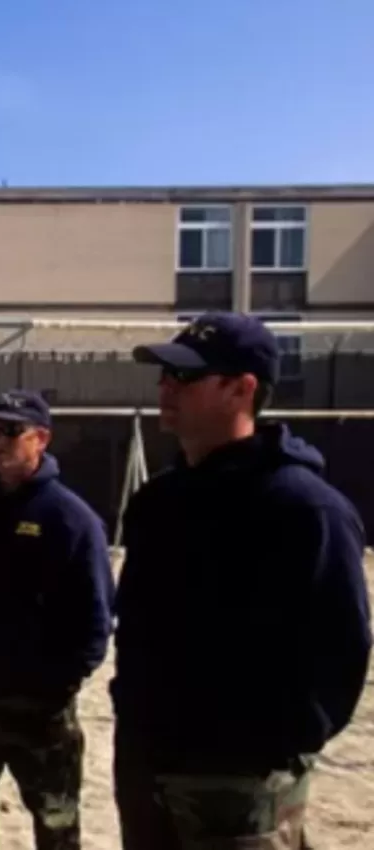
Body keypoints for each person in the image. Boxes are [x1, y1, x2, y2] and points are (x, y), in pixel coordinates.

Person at [114, 311, 371, 849]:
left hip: (240, 782)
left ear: (242, 389)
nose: (165, 386)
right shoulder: (158, 503)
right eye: (163, 373)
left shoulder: (305, 508)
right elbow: (136, 626)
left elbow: (340, 652)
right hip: (147, 767)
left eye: (184, 376)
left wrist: (262, 748)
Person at [0, 389, 114, 850]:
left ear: (42, 439)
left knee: (55, 824)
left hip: (38, 708)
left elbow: (96, 617)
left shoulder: (70, 519)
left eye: (13, 430)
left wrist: (58, 682)